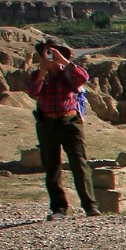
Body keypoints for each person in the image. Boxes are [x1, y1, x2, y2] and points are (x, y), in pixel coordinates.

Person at [27, 40, 96, 218]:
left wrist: (64, 62)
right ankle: (59, 208)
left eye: (54, 53)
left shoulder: (68, 73)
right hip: (47, 123)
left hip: (69, 121)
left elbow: (83, 78)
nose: (50, 56)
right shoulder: (38, 75)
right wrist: (43, 72)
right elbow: (33, 91)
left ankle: (90, 206)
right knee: (52, 166)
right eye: (47, 53)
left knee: (79, 163)